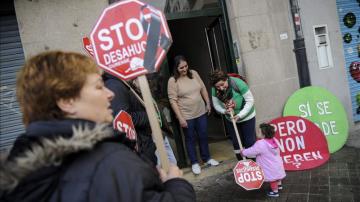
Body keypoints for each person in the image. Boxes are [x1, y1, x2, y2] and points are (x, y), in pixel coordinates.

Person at [0, 51, 195, 202]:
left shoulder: (17, 170)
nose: (110, 94)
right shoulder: (111, 163)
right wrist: (176, 186)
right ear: (66, 101)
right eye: (98, 86)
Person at [103, 72, 177, 166]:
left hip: (157, 135)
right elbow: (127, 118)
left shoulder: (138, 90)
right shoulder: (121, 88)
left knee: (172, 164)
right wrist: (148, 116)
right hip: (146, 141)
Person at [167, 55, 219, 175]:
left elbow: (203, 89)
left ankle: (207, 158)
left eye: (186, 66)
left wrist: (208, 103)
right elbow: (172, 101)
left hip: (201, 111)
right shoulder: (172, 81)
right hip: (187, 115)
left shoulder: (194, 73)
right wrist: (180, 118)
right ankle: (194, 162)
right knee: (190, 139)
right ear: (176, 68)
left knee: (203, 135)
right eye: (181, 68)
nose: (185, 69)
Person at [209, 69, 256, 160]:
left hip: (247, 117)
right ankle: (242, 164)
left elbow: (250, 100)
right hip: (230, 118)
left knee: (249, 142)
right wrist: (224, 111)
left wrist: (240, 115)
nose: (221, 88)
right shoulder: (214, 89)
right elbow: (216, 104)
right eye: (218, 87)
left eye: (222, 85)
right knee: (236, 143)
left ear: (226, 79)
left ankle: (253, 165)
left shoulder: (238, 83)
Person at [241, 123, 286, 197]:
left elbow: (252, 150)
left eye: (259, 132)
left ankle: (275, 192)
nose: (257, 133)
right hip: (277, 163)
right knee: (277, 175)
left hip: (269, 166)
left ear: (264, 134)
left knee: (272, 179)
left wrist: (243, 152)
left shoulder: (261, 144)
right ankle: (279, 186)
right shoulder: (274, 140)